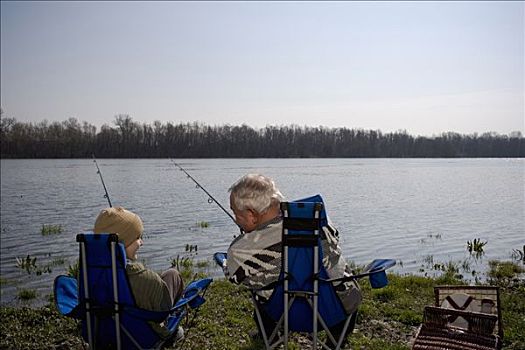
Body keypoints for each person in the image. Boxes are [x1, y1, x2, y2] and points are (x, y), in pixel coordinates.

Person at [224, 174, 362, 346]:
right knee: (342, 278)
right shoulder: (319, 219)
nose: (235, 218)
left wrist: (248, 238)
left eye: (235, 212)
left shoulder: (242, 249)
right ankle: (336, 343)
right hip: (335, 311)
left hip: (283, 314)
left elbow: (232, 275)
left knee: (261, 290)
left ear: (252, 215)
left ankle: (272, 338)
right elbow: (335, 242)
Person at [93, 206, 184, 339]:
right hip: (142, 337)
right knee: (173, 274)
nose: (142, 242)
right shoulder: (142, 277)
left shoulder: (89, 273)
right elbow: (163, 310)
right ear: (123, 241)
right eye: (138, 237)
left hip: (101, 333)